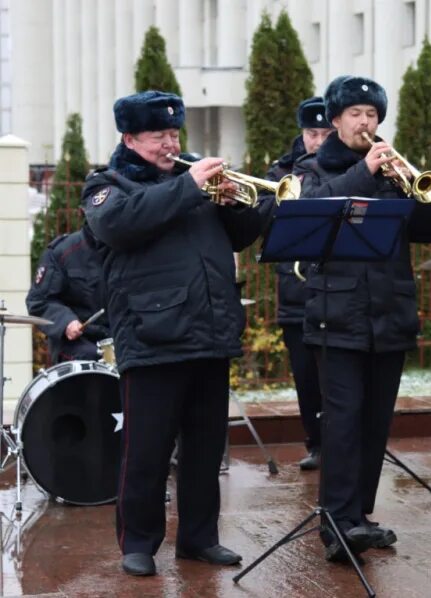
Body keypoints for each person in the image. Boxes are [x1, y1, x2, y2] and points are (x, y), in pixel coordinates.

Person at [81, 90, 271, 576]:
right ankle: (138, 542)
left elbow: (242, 235)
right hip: (152, 335)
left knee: (205, 449)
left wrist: (236, 205)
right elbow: (120, 226)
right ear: (129, 138)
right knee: (146, 449)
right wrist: (189, 186)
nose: (170, 143)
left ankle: (199, 538)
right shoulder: (108, 185)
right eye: (157, 136)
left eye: (173, 133)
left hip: (211, 331)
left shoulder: (196, 183)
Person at [293, 75, 431, 561]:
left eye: (372, 114)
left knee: (376, 421)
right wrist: (364, 171)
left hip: (389, 311)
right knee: (343, 421)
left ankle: (359, 515)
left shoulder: (394, 168)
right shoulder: (313, 168)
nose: (365, 122)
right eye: (355, 114)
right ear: (336, 120)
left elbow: (430, 230)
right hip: (335, 315)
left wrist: (422, 194)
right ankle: (336, 523)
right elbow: (311, 212)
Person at [267, 96, 333, 471]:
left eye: (326, 133)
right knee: (305, 377)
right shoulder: (281, 171)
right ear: (302, 133)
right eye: (312, 133)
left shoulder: (349, 167)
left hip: (336, 291)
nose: (318, 142)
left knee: (336, 377)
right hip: (296, 290)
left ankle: (342, 444)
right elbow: (264, 220)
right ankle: (316, 443)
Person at [26, 223, 110, 363]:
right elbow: (40, 301)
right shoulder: (62, 251)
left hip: (122, 339)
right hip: (79, 342)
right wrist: (66, 322)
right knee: (88, 357)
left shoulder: (132, 248)